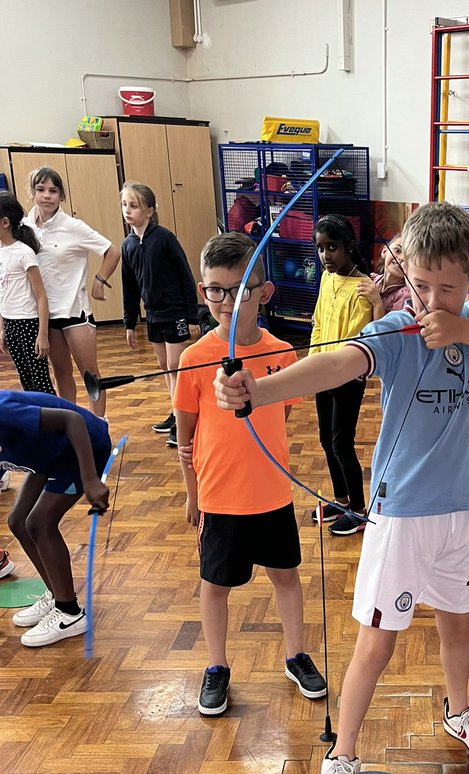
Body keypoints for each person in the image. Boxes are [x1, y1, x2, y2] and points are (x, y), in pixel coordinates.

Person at [214, 201, 469, 774]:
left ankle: (458, 712)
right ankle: (341, 757)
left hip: (460, 512)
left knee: (456, 624)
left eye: (446, 289)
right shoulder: (397, 333)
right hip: (402, 515)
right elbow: (338, 363)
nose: (429, 301)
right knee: (378, 643)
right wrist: (258, 390)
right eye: (420, 286)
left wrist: (465, 329)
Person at [173, 232, 326, 718]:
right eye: (215, 289)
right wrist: (192, 494)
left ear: (265, 292)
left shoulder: (282, 351)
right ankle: (216, 666)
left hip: (272, 492)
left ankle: (296, 655)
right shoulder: (194, 358)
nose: (225, 300)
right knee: (214, 586)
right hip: (219, 497)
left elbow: (278, 418)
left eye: (239, 288)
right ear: (203, 292)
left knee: (286, 577)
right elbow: (186, 437)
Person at [1, 389, 110, 646]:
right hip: (47, 455)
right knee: (18, 522)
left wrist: (91, 479)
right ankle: (55, 594)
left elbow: (72, 420)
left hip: (82, 447)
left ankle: (70, 612)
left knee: (39, 523)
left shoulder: (4, 412)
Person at [23, 167, 120, 418]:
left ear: (61, 195)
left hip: (75, 312)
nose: (47, 196)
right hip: (46, 316)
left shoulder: (73, 226)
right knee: (61, 373)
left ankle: (100, 426)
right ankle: (72, 427)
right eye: (41, 190)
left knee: (90, 375)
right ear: (32, 193)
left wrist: (100, 280)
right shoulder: (23, 228)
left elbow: (112, 251)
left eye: (53, 190)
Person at [308, 214, 373, 536]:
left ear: (348, 246)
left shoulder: (362, 287)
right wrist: (313, 364)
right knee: (325, 440)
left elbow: (355, 337)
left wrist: (330, 367)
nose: (325, 256)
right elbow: (319, 322)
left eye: (332, 247)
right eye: (320, 248)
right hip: (323, 373)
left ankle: (359, 510)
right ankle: (341, 499)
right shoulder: (327, 278)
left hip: (346, 377)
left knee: (341, 443)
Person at [120, 182, 198, 445]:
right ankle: (175, 413)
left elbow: (186, 278)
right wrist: (130, 322)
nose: (128, 211)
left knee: (176, 368)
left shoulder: (164, 238)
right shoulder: (128, 245)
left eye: (134, 206)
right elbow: (129, 287)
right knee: (165, 368)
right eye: (125, 205)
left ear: (149, 211)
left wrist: (192, 317)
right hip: (152, 316)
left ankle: (182, 420)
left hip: (174, 312)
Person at [0, 191, 53, 394]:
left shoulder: (24, 253)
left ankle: (57, 422)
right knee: (26, 382)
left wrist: (43, 335)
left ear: (5, 222)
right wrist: (3, 329)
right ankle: (38, 423)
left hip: (28, 323)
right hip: (11, 323)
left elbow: (41, 296)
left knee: (41, 384)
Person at [356, 235, 411, 320]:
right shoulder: (371, 279)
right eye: (398, 250)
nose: (401, 258)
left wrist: (377, 303)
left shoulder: (406, 295)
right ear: (384, 251)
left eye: (408, 257)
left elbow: (387, 331)